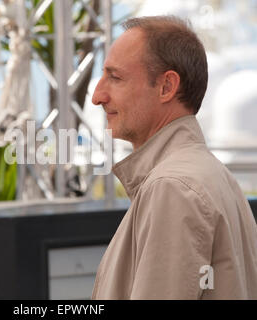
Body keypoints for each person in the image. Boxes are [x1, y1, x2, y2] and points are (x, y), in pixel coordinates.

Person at [91, 15, 257, 299]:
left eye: (115, 77)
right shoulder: (212, 176)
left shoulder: (173, 187)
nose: (97, 95)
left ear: (167, 87)